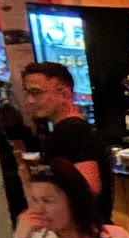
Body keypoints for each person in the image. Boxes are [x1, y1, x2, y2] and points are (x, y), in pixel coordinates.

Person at [19, 61, 113, 224]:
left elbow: (90, 188)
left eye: (37, 92)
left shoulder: (72, 132)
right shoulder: (68, 131)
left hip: (84, 230)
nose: (30, 100)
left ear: (64, 94)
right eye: (28, 93)